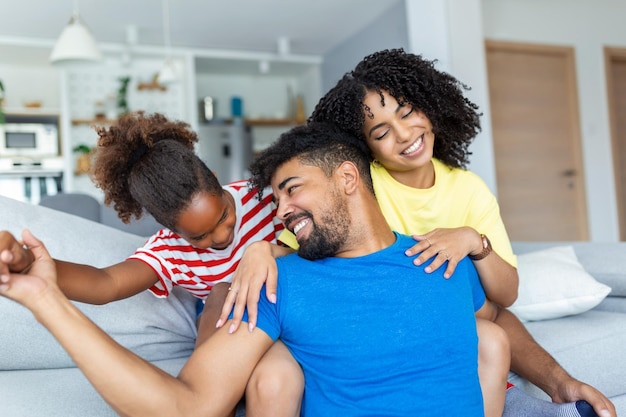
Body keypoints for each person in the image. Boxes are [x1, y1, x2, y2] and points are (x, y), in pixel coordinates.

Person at [1, 122, 494, 416]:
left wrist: (478, 241)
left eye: (292, 189)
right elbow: (185, 402)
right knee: (229, 310)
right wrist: (46, 297)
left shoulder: (443, 260)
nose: (279, 211)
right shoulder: (275, 286)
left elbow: (499, 320)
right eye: (276, 196)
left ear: (347, 177)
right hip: (233, 306)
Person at [221, 49, 614, 417]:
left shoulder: (467, 189)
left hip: (441, 312)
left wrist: (474, 242)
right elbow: (306, 255)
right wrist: (260, 251)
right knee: (273, 365)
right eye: (381, 133)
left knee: (492, 335)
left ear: (431, 105)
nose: (405, 134)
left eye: (408, 112)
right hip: (358, 320)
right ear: (361, 153)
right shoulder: (357, 189)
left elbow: (504, 297)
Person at [0, 111, 301, 417]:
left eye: (224, 215)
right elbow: (106, 283)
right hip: (231, 319)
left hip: (285, 300)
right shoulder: (169, 251)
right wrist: (29, 264)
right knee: (221, 292)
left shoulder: (261, 196)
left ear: (214, 176)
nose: (222, 235)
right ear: (169, 227)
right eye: (200, 236)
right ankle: (210, 396)